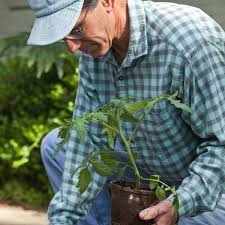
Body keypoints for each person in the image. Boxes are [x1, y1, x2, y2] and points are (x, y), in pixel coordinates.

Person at [27, 0, 225, 224]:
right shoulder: (95, 49)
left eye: (76, 29)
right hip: (148, 177)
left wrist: (180, 203)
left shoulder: (191, 42)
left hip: (209, 189)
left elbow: (221, 146)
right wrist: (63, 219)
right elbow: (87, 141)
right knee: (56, 146)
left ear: (107, 2)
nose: (72, 47)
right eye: (64, 37)